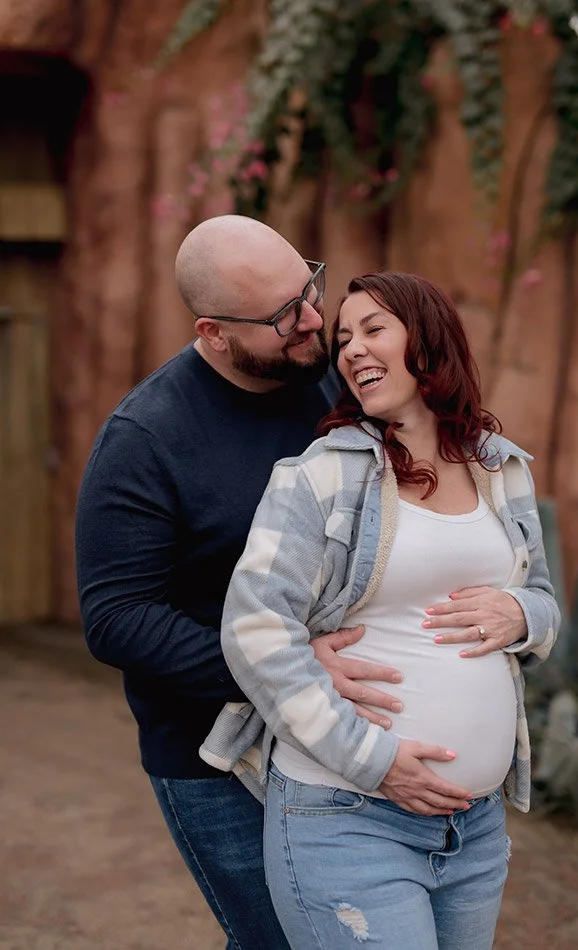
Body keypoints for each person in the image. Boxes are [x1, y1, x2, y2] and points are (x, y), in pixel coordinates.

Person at [74, 216, 411, 950]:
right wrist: (283, 667)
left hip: (341, 730)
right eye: (283, 315)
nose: (313, 320)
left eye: (309, 289)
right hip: (213, 759)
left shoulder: (328, 376)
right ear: (213, 331)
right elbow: (116, 619)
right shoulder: (144, 439)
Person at [201, 271, 561, 949]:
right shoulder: (320, 475)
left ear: (428, 339)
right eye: (343, 338)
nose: (352, 350)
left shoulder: (500, 468)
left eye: (373, 329)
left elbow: (541, 599)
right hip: (346, 816)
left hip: (474, 828)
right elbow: (254, 631)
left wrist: (521, 616)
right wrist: (376, 761)